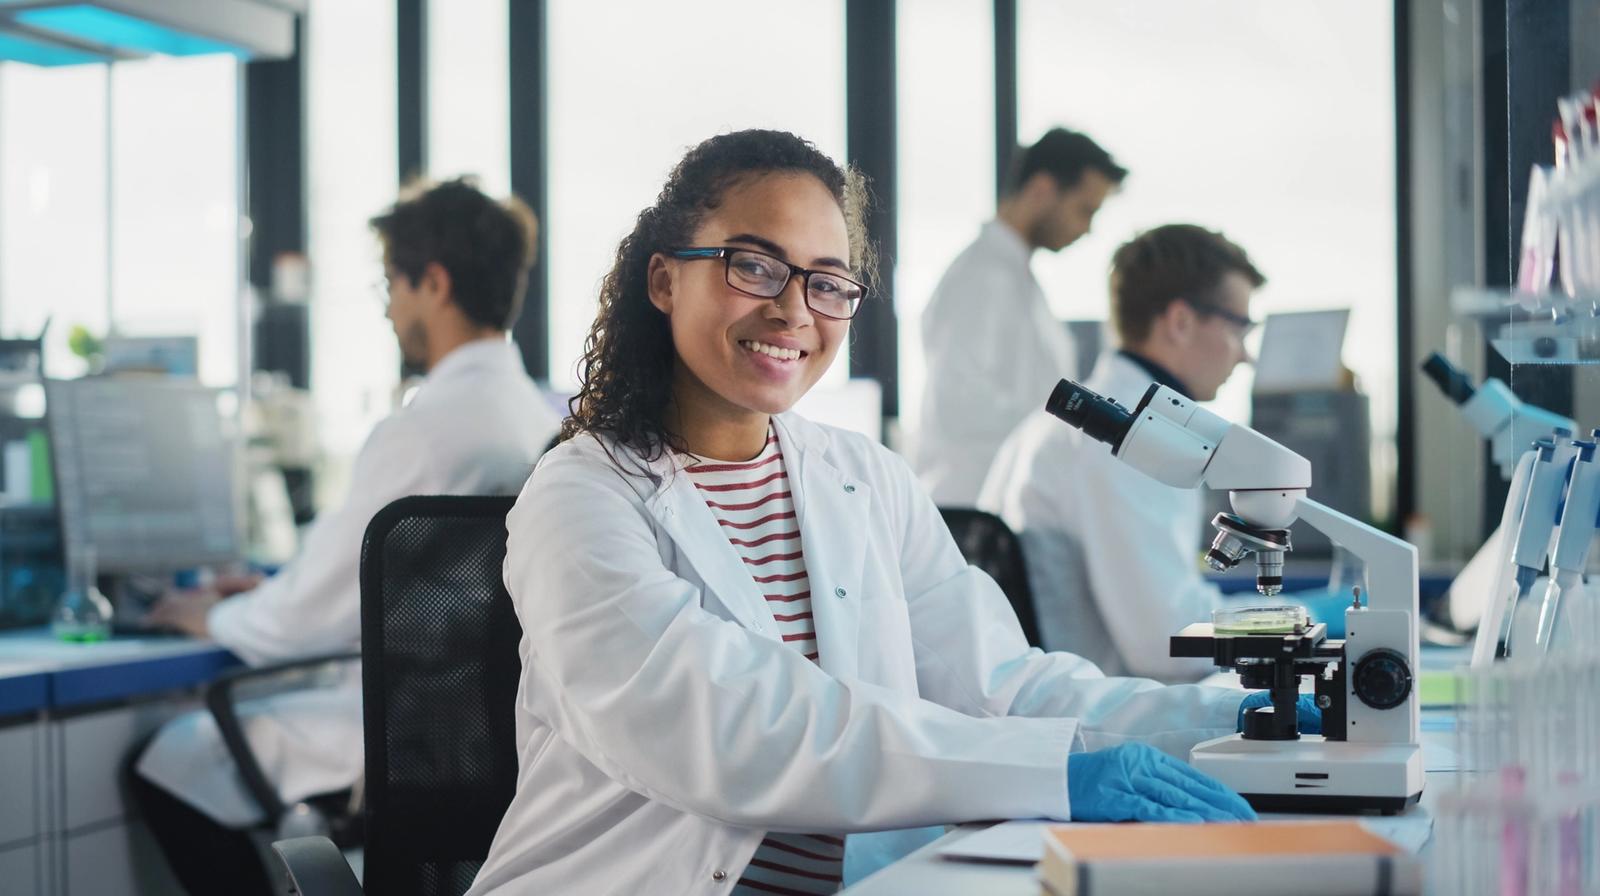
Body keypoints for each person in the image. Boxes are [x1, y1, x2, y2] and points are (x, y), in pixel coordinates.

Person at [466, 131, 1309, 896]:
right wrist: (1058, 768)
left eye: (827, 282)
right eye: (752, 266)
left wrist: (1224, 718)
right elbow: (737, 729)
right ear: (663, 276)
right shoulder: (577, 498)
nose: (793, 309)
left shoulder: (865, 479)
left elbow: (1005, 689)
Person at [131, 178, 562, 896]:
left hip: (397, 728)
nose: (390, 308)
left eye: (390, 284)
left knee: (171, 760)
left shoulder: (423, 428)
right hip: (475, 729)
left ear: (433, 282)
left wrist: (217, 614)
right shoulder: (528, 413)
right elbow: (396, 581)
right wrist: (274, 589)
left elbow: (310, 617)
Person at [980, 224, 1340, 680]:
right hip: (1110, 713)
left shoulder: (1054, 425)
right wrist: (1305, 616)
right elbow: (1169, 642)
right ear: (1180, 322)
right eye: (1240, 328)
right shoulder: (1135, 440)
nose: (1245, 356)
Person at [913, 127, 1125, 507]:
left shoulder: (1013, 279)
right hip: (972, 507)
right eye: (1084, 210)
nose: (1088, 228)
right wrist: (1073, 429)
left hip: (999, 501)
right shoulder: (980, 278)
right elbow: (960, 403)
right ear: (1042, 189)